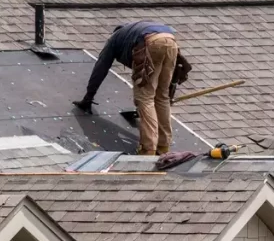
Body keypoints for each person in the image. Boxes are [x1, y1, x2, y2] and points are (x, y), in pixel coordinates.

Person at [73, 21, 192, 155]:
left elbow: (100, 68)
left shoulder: (115, 40)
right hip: (171, 42)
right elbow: (170, 80)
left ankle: (148, 148)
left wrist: (88, 98)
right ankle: (163, 145)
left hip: (151, 43)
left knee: (145, 98)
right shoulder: (132, 33)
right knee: (162, 96)